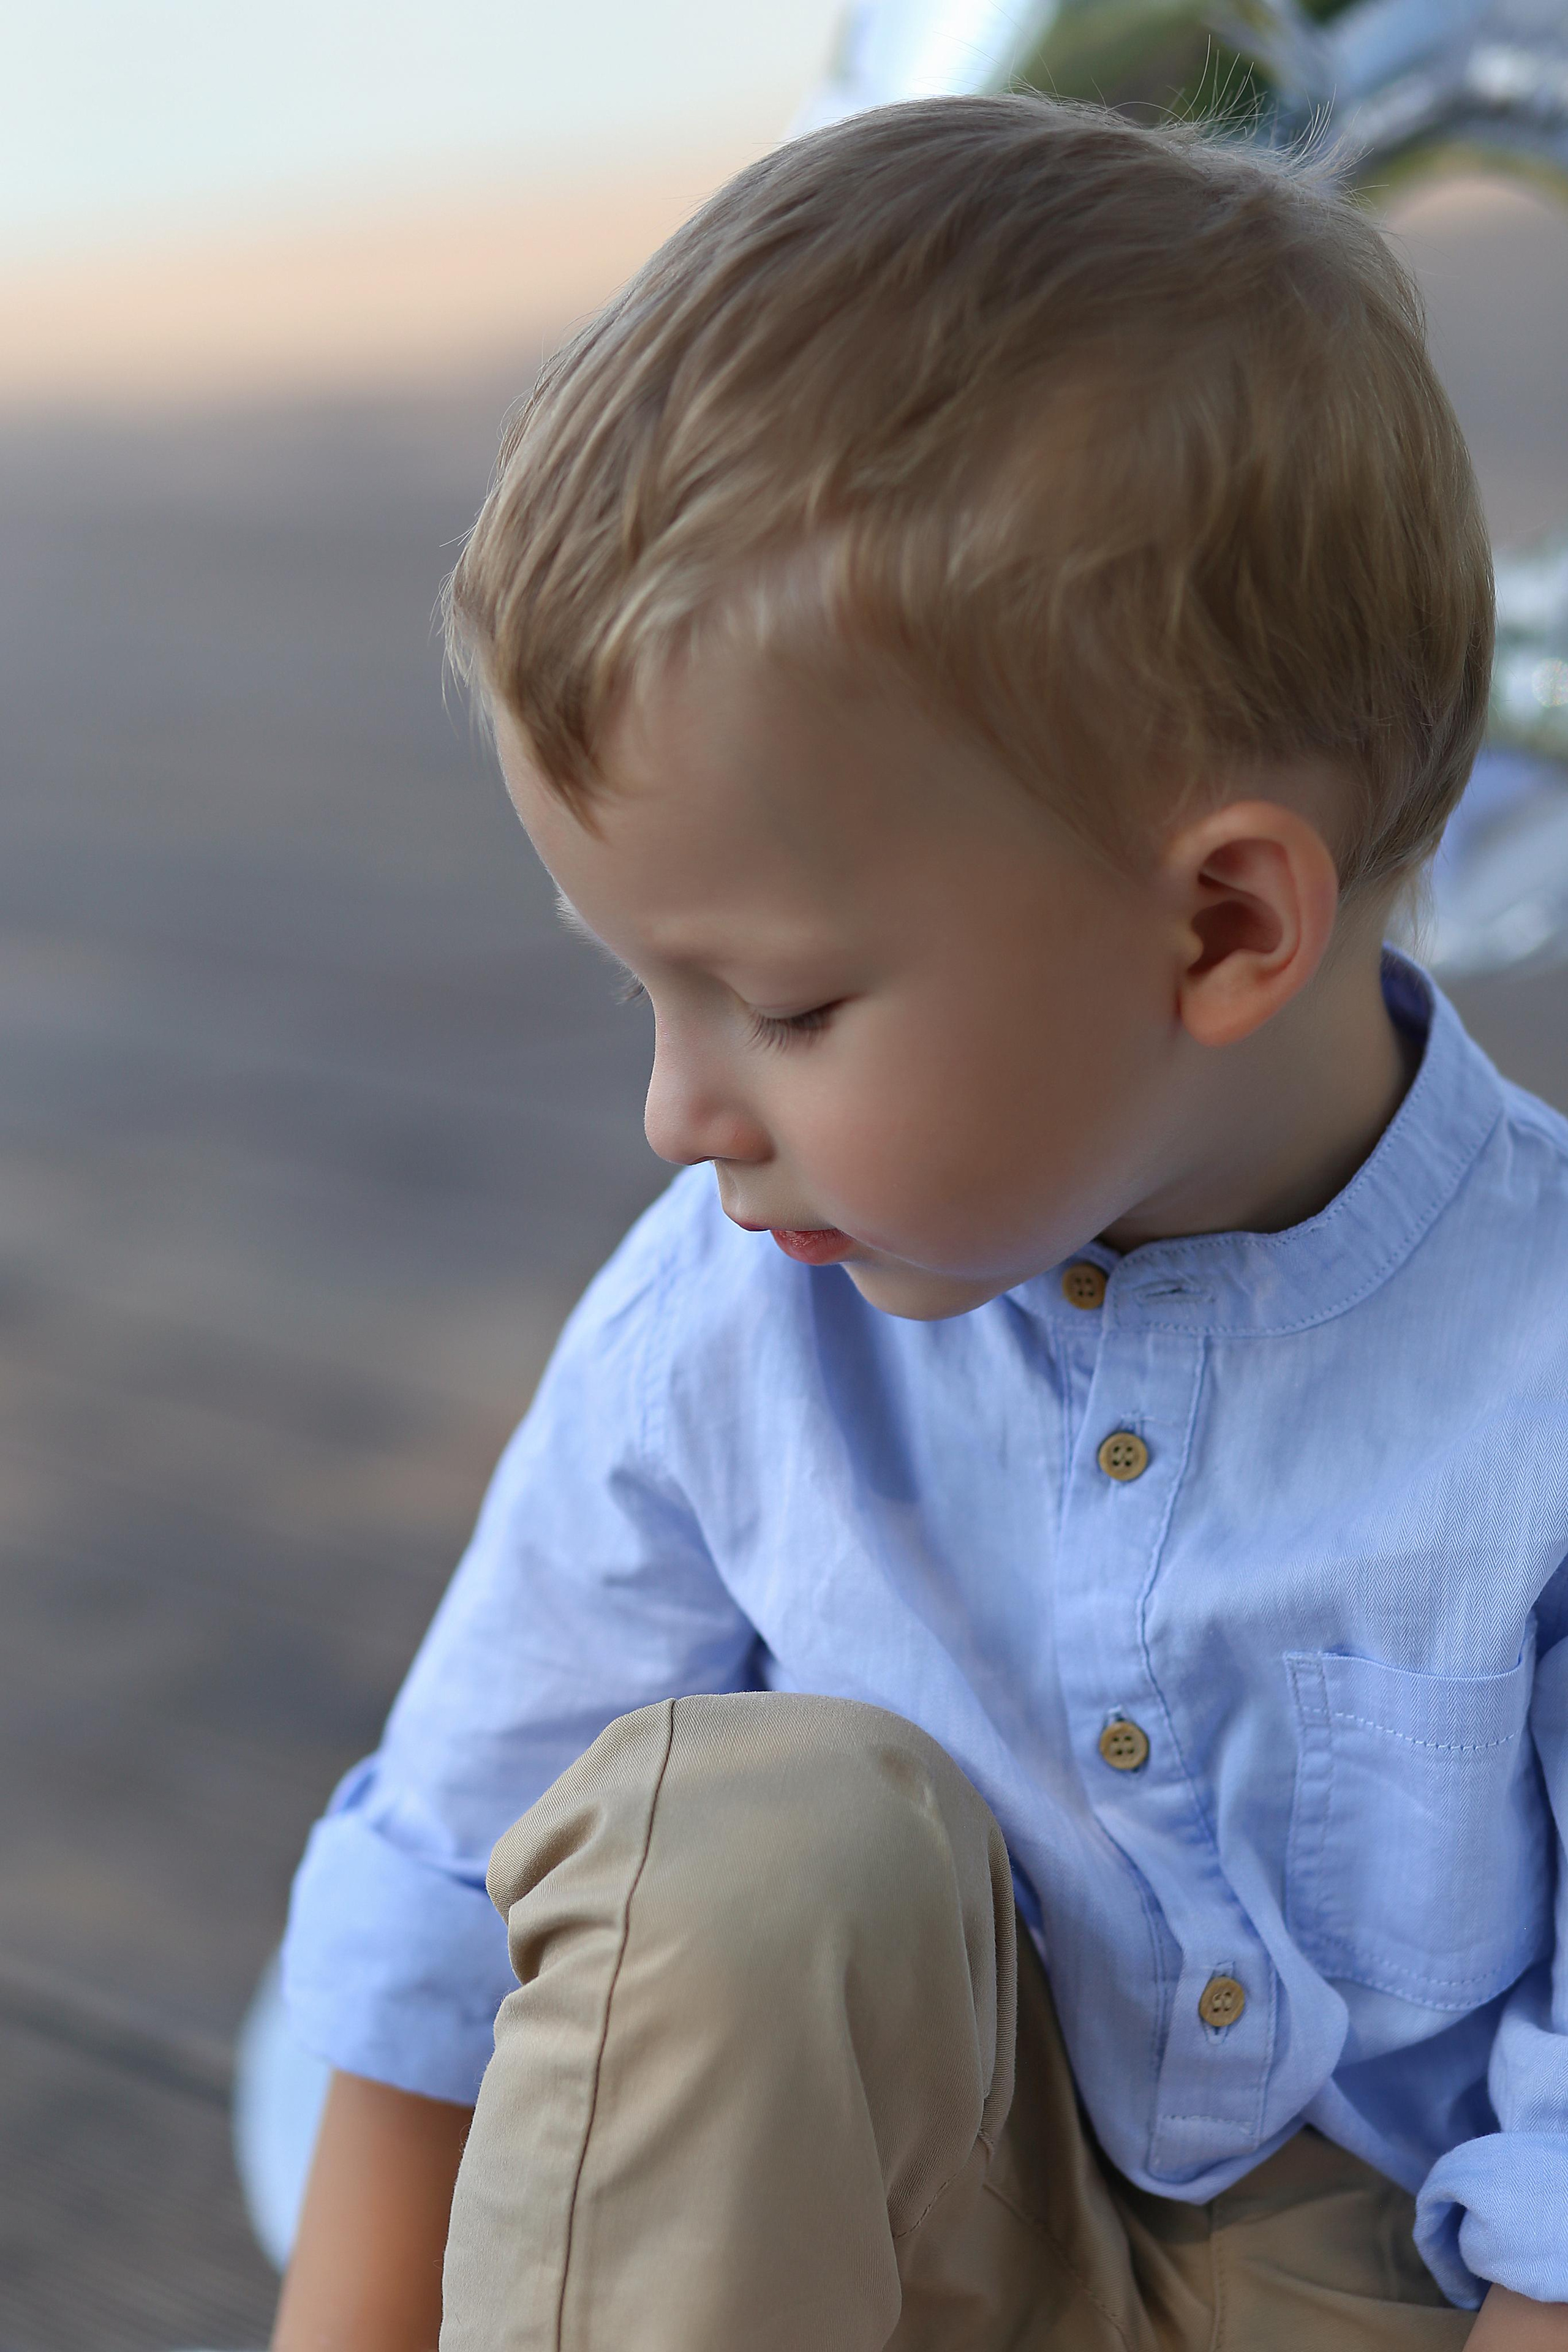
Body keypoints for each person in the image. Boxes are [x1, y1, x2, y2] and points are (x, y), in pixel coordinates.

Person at [273, 97, 1568, 2351]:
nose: (680, 1116)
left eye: (784, 1008)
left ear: (1222, 926)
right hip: (897, 2254)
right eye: (648, 991)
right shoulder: (724, 1321)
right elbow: (443, 1904)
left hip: (1407, 2290)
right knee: (732, 1844)